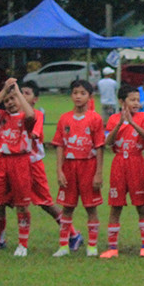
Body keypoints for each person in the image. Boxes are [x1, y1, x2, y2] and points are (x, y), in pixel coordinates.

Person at [15, 81, 83, 252]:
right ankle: (0, 239)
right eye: (20, 92)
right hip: (14, 165)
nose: (23, 96)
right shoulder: (12, 114)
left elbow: (34, 134)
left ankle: (73, 234)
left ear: (35, 99)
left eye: (27, 93)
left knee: (45, 203)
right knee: (2, 201)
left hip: (32, 165)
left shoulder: (35, 114)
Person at [52, 79, 105, 257]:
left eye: (83, 93)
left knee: (91, 207)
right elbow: (59, 145)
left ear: (90, 97)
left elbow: (99, 147)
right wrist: (59, 170)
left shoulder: (95, 118)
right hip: (69, 167)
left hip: (88, 166)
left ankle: (92, 246)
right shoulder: (64, 118)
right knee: (67, 207)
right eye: (75, 93)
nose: (78, 96)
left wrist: (98, 173)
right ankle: (63, 246)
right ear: (71, 95)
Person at [102, 85, 144, 258]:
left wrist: (132, 123)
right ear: (121, 101)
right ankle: (112, 248)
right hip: (119, 164)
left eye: (138, 100)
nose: (136, 103)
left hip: (137, 162)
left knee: (141, 205)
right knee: (115, 206)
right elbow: (108, 142)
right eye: (132, 100)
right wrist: (119, 124)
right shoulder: (113, 119)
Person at [0, 79, 36, 256]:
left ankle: (23, 243)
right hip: (3, 161)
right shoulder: (2, 117)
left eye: (14, 99)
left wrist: (17, 92)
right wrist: (4, 90)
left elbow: (30, 115)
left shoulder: (25, 118)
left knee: (22, 205)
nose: (10, 102)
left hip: (20, 162)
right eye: (7, 100)